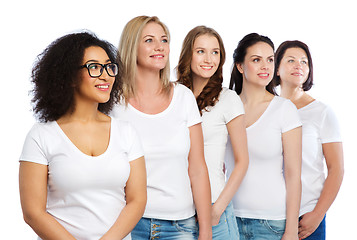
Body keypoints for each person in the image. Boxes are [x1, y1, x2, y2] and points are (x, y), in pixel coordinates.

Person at [19, 31, 147, 240]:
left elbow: (137, 200)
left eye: (108, 66)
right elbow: (33, 213)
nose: (106, 75)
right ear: (69, 76)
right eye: (94, 67)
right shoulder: (41, 136)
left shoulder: (126, 132)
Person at [112, 16, 212, 240]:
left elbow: (197, 168)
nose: (159, 47)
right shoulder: (113, 103)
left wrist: (205, 231)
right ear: (131, 47)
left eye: (164, 40)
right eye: (149, 40)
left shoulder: (183, 98)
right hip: (126, 223)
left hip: (179, 226)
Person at [226, 33, 302, 240]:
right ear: (240, 66)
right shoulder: (224, 105)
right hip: (227, 218)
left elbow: (294, 174)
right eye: (256, 60)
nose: (265, 67)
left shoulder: (284, 110)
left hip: (271, 224)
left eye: (270, 60)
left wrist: (291, 230)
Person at [176, 25, 249, 239]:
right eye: (201, 51)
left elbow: (242, 161)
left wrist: (217, 208)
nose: (209, 59)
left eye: (215, 52)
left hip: (213, 206)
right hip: (178, 209)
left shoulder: (228, 99)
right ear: (187, 54)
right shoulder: (174, 95)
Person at [273, 40, 344, 240]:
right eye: (291, 60)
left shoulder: (321, 112)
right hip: (269, 216)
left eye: (304, 62)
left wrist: (317, 214)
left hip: (307, 217)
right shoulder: (268, 109)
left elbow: (336, 168)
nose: (298, 65)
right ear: (276, 69)